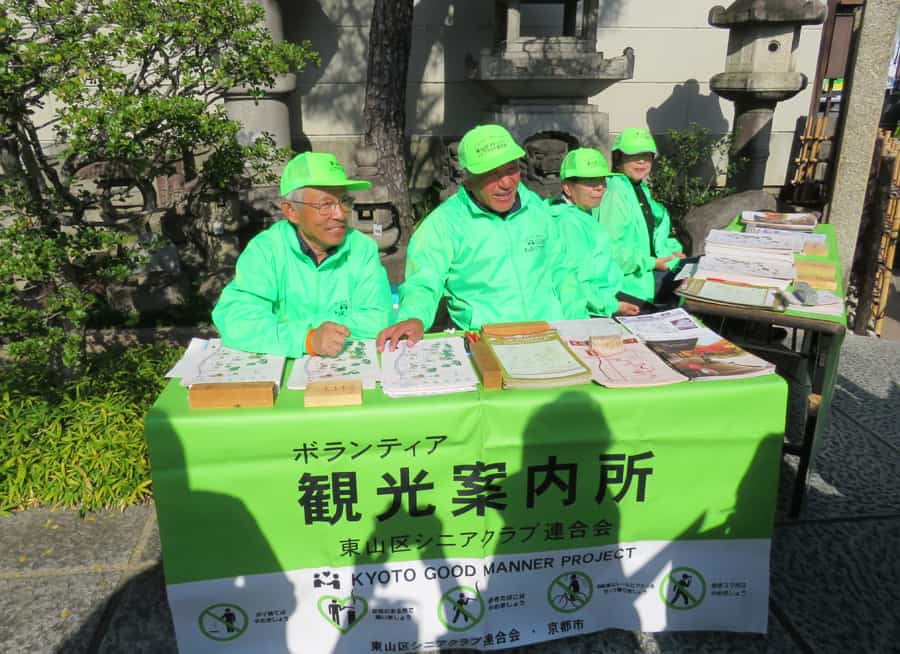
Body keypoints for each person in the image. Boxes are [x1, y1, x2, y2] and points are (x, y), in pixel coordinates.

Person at [377, 124, 587, 350]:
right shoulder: (444, 224)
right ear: (467, 177)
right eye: (491, 173)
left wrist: (578, 322)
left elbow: (562, 270)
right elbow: (424, 282)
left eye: (510, 169)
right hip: (487, 344)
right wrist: (414, 317)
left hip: (550, 336)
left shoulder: (536, 209)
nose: (506, 183)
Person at [212, 152, 393, 357]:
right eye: (325, 205)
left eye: (344, 201)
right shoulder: (266, 251)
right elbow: (236, 321)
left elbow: (379, 319)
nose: (340, 214)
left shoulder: (361, 249)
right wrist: (307, 339)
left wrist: (297, 332)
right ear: (291, 212)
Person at [595, 127, 686, 304]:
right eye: (634, 156)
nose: (642, 162)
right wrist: (653, 263)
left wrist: (671, 251)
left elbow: (651, 236)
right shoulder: (616, 192)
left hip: (647, 275)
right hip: (629, 285)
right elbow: (612, 251)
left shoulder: (638, 188)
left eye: (647, 156)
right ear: (619, 158)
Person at [546, 147, 640, 317]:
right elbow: (575, 284)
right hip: (597, 307)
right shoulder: (567, 223)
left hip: (605, 298)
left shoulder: (582, 212)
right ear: (567, 188)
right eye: (590, 183)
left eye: (602, 181)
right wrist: (613, 305)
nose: (600, 188)